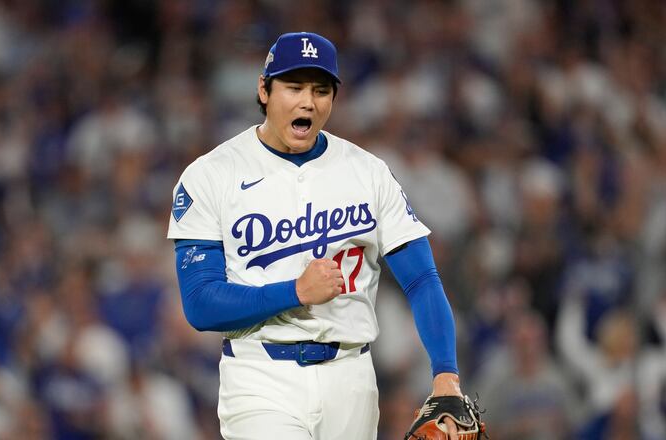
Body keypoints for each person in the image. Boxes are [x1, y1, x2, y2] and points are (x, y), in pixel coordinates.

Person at [166, 32, 465, 439]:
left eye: (320, 90)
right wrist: (295, 291)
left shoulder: (368, 172)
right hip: (261, 377)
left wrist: (445, 372)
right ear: (264, 90)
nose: (308, 101)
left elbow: (421, 279)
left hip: (353, 378)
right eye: (293, 87)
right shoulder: (212, 174)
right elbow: (200, 304)